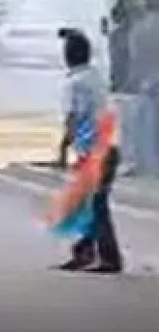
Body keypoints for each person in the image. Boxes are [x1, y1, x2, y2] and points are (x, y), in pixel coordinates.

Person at [54, 31, 122, 273]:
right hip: (109, 146)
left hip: (93, 150)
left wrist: (63, 148)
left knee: (95, 205)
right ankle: (85, 251)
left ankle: (109, 258)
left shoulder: (73, 84)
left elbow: (72, 119)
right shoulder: (96, 78)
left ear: (67, 55)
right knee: (90, 203)